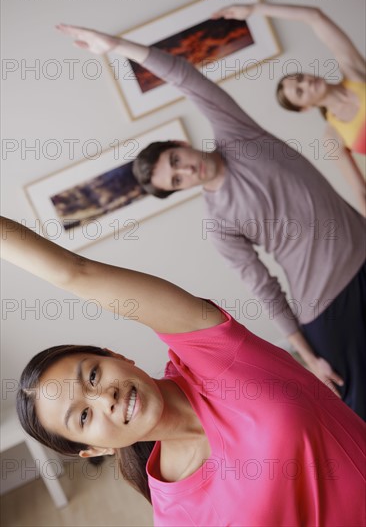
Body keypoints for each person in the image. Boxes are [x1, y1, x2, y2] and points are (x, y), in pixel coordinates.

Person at [54, 23, 366, 420]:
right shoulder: (219, 223)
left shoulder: (238, 135)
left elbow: (187, 77)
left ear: (181, 146)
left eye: (176, 162)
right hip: (325, 303)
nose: (186, 171)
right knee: (359, 407)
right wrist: (307, 355)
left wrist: (116, 45)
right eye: (177, 180)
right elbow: (263, 286)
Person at [1, 215, 365, 526]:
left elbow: (77, 274)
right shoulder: (176, 515)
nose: (103, 398)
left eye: (93, 376)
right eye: (83, 416)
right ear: (94, 449)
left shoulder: (213, 355)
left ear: (117, 356)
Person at [213, 3, 366, 215]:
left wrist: (254, 9)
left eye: (301, 78)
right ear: (305, 108)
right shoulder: (333, 137)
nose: (306, 83)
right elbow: (361, 192)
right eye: (300, 92)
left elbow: (315, 16)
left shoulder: (355, 72)